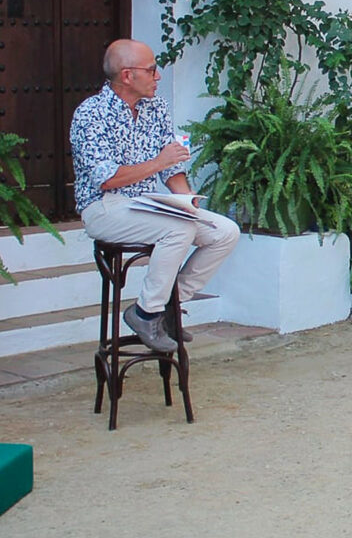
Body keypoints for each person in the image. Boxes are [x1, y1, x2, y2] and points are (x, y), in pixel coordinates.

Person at [70, 39, 240, 352]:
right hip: (105, 208)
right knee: (178, 228)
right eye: (151, 69)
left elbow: (170, 165)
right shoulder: (90, 115)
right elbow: (107, 179)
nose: (157, 76)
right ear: (127, 76)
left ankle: (172, 307)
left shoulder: (155, 107)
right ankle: (146, 313)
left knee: (225, 232)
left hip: (148, 206)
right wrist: (159, 162)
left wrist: (186, 199)